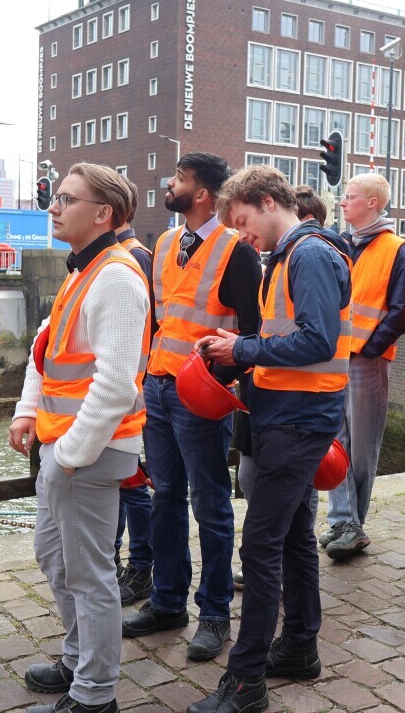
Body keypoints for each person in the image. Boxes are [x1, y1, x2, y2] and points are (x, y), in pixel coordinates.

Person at [190, 165, 350, 713]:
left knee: (259, 545)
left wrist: (243, 349)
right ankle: (300, 645)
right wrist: (239, 344)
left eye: (241, 222)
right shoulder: (284, 258)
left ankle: (246, 681)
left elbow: (317, 340)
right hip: (288, 415)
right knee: (293, 536)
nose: (241, 235)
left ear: (265, 202)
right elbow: (285, 335)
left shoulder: (307, 255)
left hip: (298, 419)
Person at [11, 163, 150, 713]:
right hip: (65, 447)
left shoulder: (114, 278)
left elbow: (116, 384)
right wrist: (27, 411)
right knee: (55, 557)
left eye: (67, 200)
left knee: (89, 574)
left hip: (87, 453)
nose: (54, 207)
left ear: (103, 214)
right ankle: (77, 660)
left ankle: (94, 694)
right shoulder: (82, 271)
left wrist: (68, 455)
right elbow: (45, 351)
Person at [122, 152, 261, 662]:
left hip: (200, 394)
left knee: (210, 503)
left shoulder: (237, 251)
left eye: (179, 179)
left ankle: (215, 613)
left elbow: (252, 333)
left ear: (201, 193)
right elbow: (159, 318)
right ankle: (167, 602)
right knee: (165, 498)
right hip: (159, 388)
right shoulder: (163, 244)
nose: (170, 183)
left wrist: (217, 380)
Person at [320, 173, 405, 560]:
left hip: (365, 360)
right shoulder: (342, 244)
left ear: (372, 202)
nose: (343, 202)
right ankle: (344, 520)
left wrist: (371, 348)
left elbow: (403, 309)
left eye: (350, 196)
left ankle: (351, 523)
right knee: (335, 439)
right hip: (336, 356)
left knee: (362, 447)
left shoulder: (395, 249)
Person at [113, 179, 155, 606]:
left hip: (131, 391)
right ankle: (119, 562)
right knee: (122, 480)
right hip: (128, 387)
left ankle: (140, 567)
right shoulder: (120, 255)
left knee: (131, 481)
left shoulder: (132, 257)